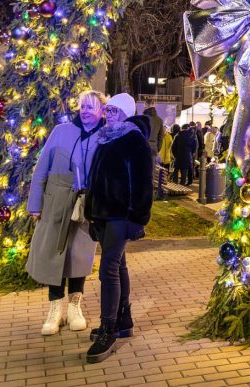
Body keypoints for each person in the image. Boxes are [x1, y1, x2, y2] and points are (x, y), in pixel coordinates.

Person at [26, 90, 105, 335]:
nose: (85, 110)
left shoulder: (105, 136)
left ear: (101, 110)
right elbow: (42, 169)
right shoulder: (61, 132)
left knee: (79, 253)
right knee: (53, 252)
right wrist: (35, 203)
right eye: (83, 106)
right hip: (56, 201)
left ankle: (74, 306)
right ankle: (55, 307)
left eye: (91, 106)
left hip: (85, 202)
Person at [84, 93, 154, 364]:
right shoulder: (106, 137)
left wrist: (138, 219)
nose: (109, 114)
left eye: (115, 111)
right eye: (108, 110)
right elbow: (95, 180)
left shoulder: (133, 140)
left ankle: (108, 328)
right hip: (102, 215)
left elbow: (143, 184)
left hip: (121, 215)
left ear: (126, 113)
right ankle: (124, 319)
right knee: (119, 266)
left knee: (108, 269)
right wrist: (92, 214)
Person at [141, 101, 164, 199]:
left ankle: (140, 193)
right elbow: (161, 137)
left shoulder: (143, 118)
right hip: (153, 147)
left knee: (140, 170)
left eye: (144, 106)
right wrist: (157, 148)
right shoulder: (159, 120)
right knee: (151, 171)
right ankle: (149, 194)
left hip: (142, 146)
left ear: (146, 106)